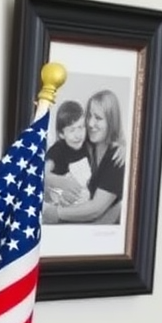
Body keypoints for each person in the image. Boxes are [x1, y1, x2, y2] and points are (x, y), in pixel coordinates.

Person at [48, 88, 125, 224]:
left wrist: (54, 213)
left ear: (111, 122)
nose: (90, 124)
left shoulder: (117, 157)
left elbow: (96, 209)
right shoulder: (85, 142)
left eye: (98, 118)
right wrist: (61, 188)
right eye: (89, 116)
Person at [44, 100, 92, 208]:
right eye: (72, 130)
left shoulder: (87, 145)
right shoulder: (57, 150)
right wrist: (62, 182)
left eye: (81, 127)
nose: (78, 135)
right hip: (60, 196)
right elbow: (43, 174)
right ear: (61, 134)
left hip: (84, 195)